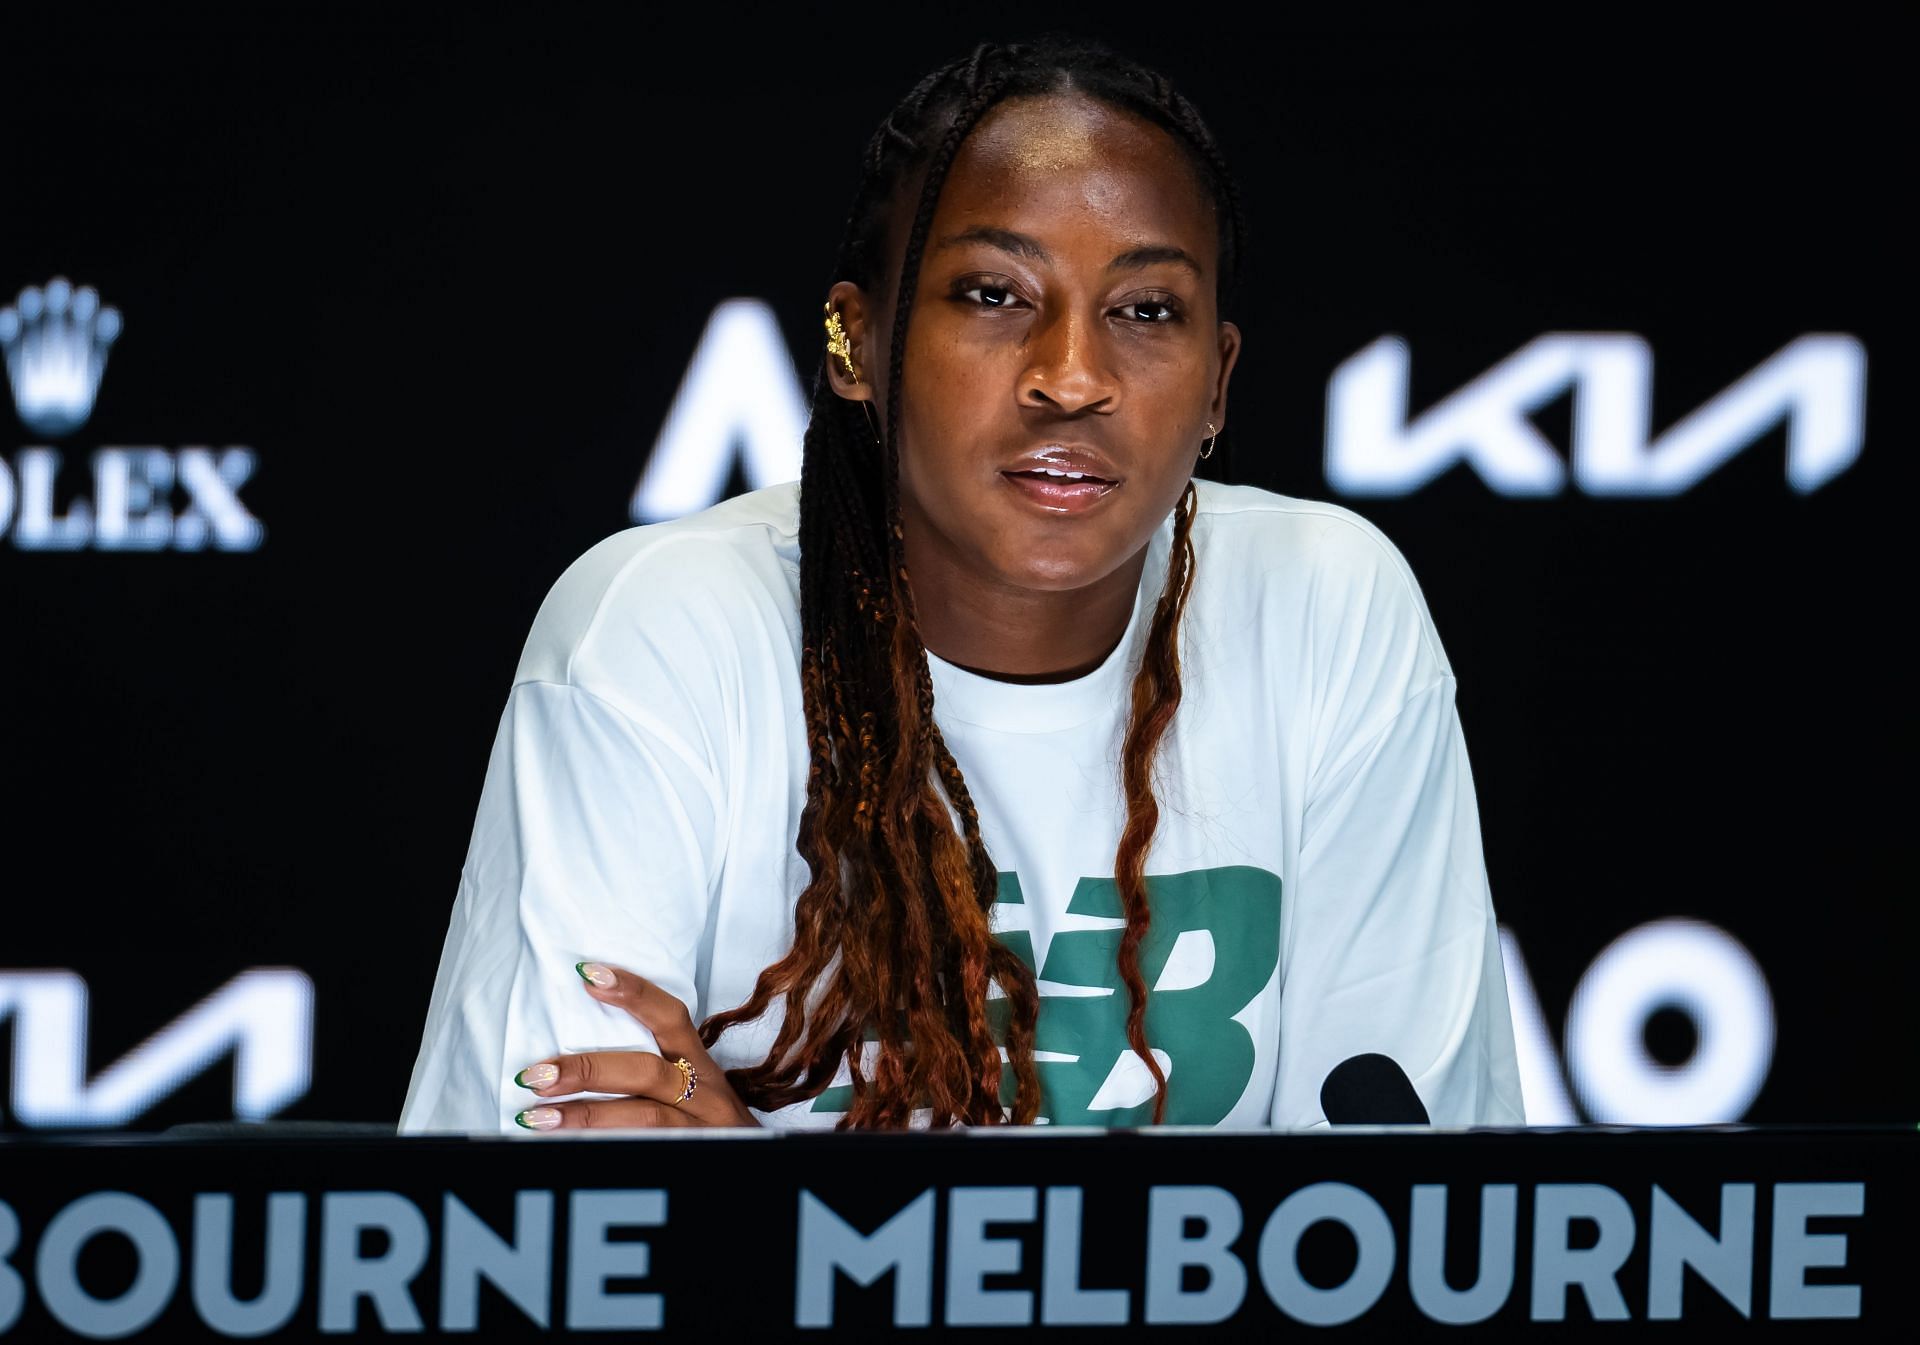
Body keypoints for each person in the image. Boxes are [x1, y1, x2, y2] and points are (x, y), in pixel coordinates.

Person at [398, 36, 1524, 1135]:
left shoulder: (1328, 611)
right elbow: (534, 1241)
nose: (1073, 378)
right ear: (855, 341)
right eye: (994, 294)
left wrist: (743, 1198)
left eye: (1146, 311)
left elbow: (1400, 1237)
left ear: (1219, 383)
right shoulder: (657, 633)